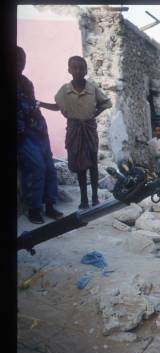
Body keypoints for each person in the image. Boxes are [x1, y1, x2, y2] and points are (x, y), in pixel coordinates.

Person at [42, 56, 112, 209]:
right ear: (69, 70)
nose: (78, 71)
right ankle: (84, 199)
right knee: (80, 165)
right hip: (74, 130)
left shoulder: (92, 88)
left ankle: (94, 197)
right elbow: (57, 106)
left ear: (86, 70)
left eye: (81, 68)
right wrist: (40, 104)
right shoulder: (65, 90)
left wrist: (93, 114)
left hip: (89, 129)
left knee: (93, 163)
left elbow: (107, 103)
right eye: (75, 67)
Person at [17, 46, 64, 224]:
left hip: (39, 131)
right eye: (16, 60)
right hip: (24, 135)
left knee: (50, 169)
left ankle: (50, 205)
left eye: (22, 59)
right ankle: (34, 209)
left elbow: (32, 104)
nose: (19, 63)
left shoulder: (26, 82)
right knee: (37, 168)